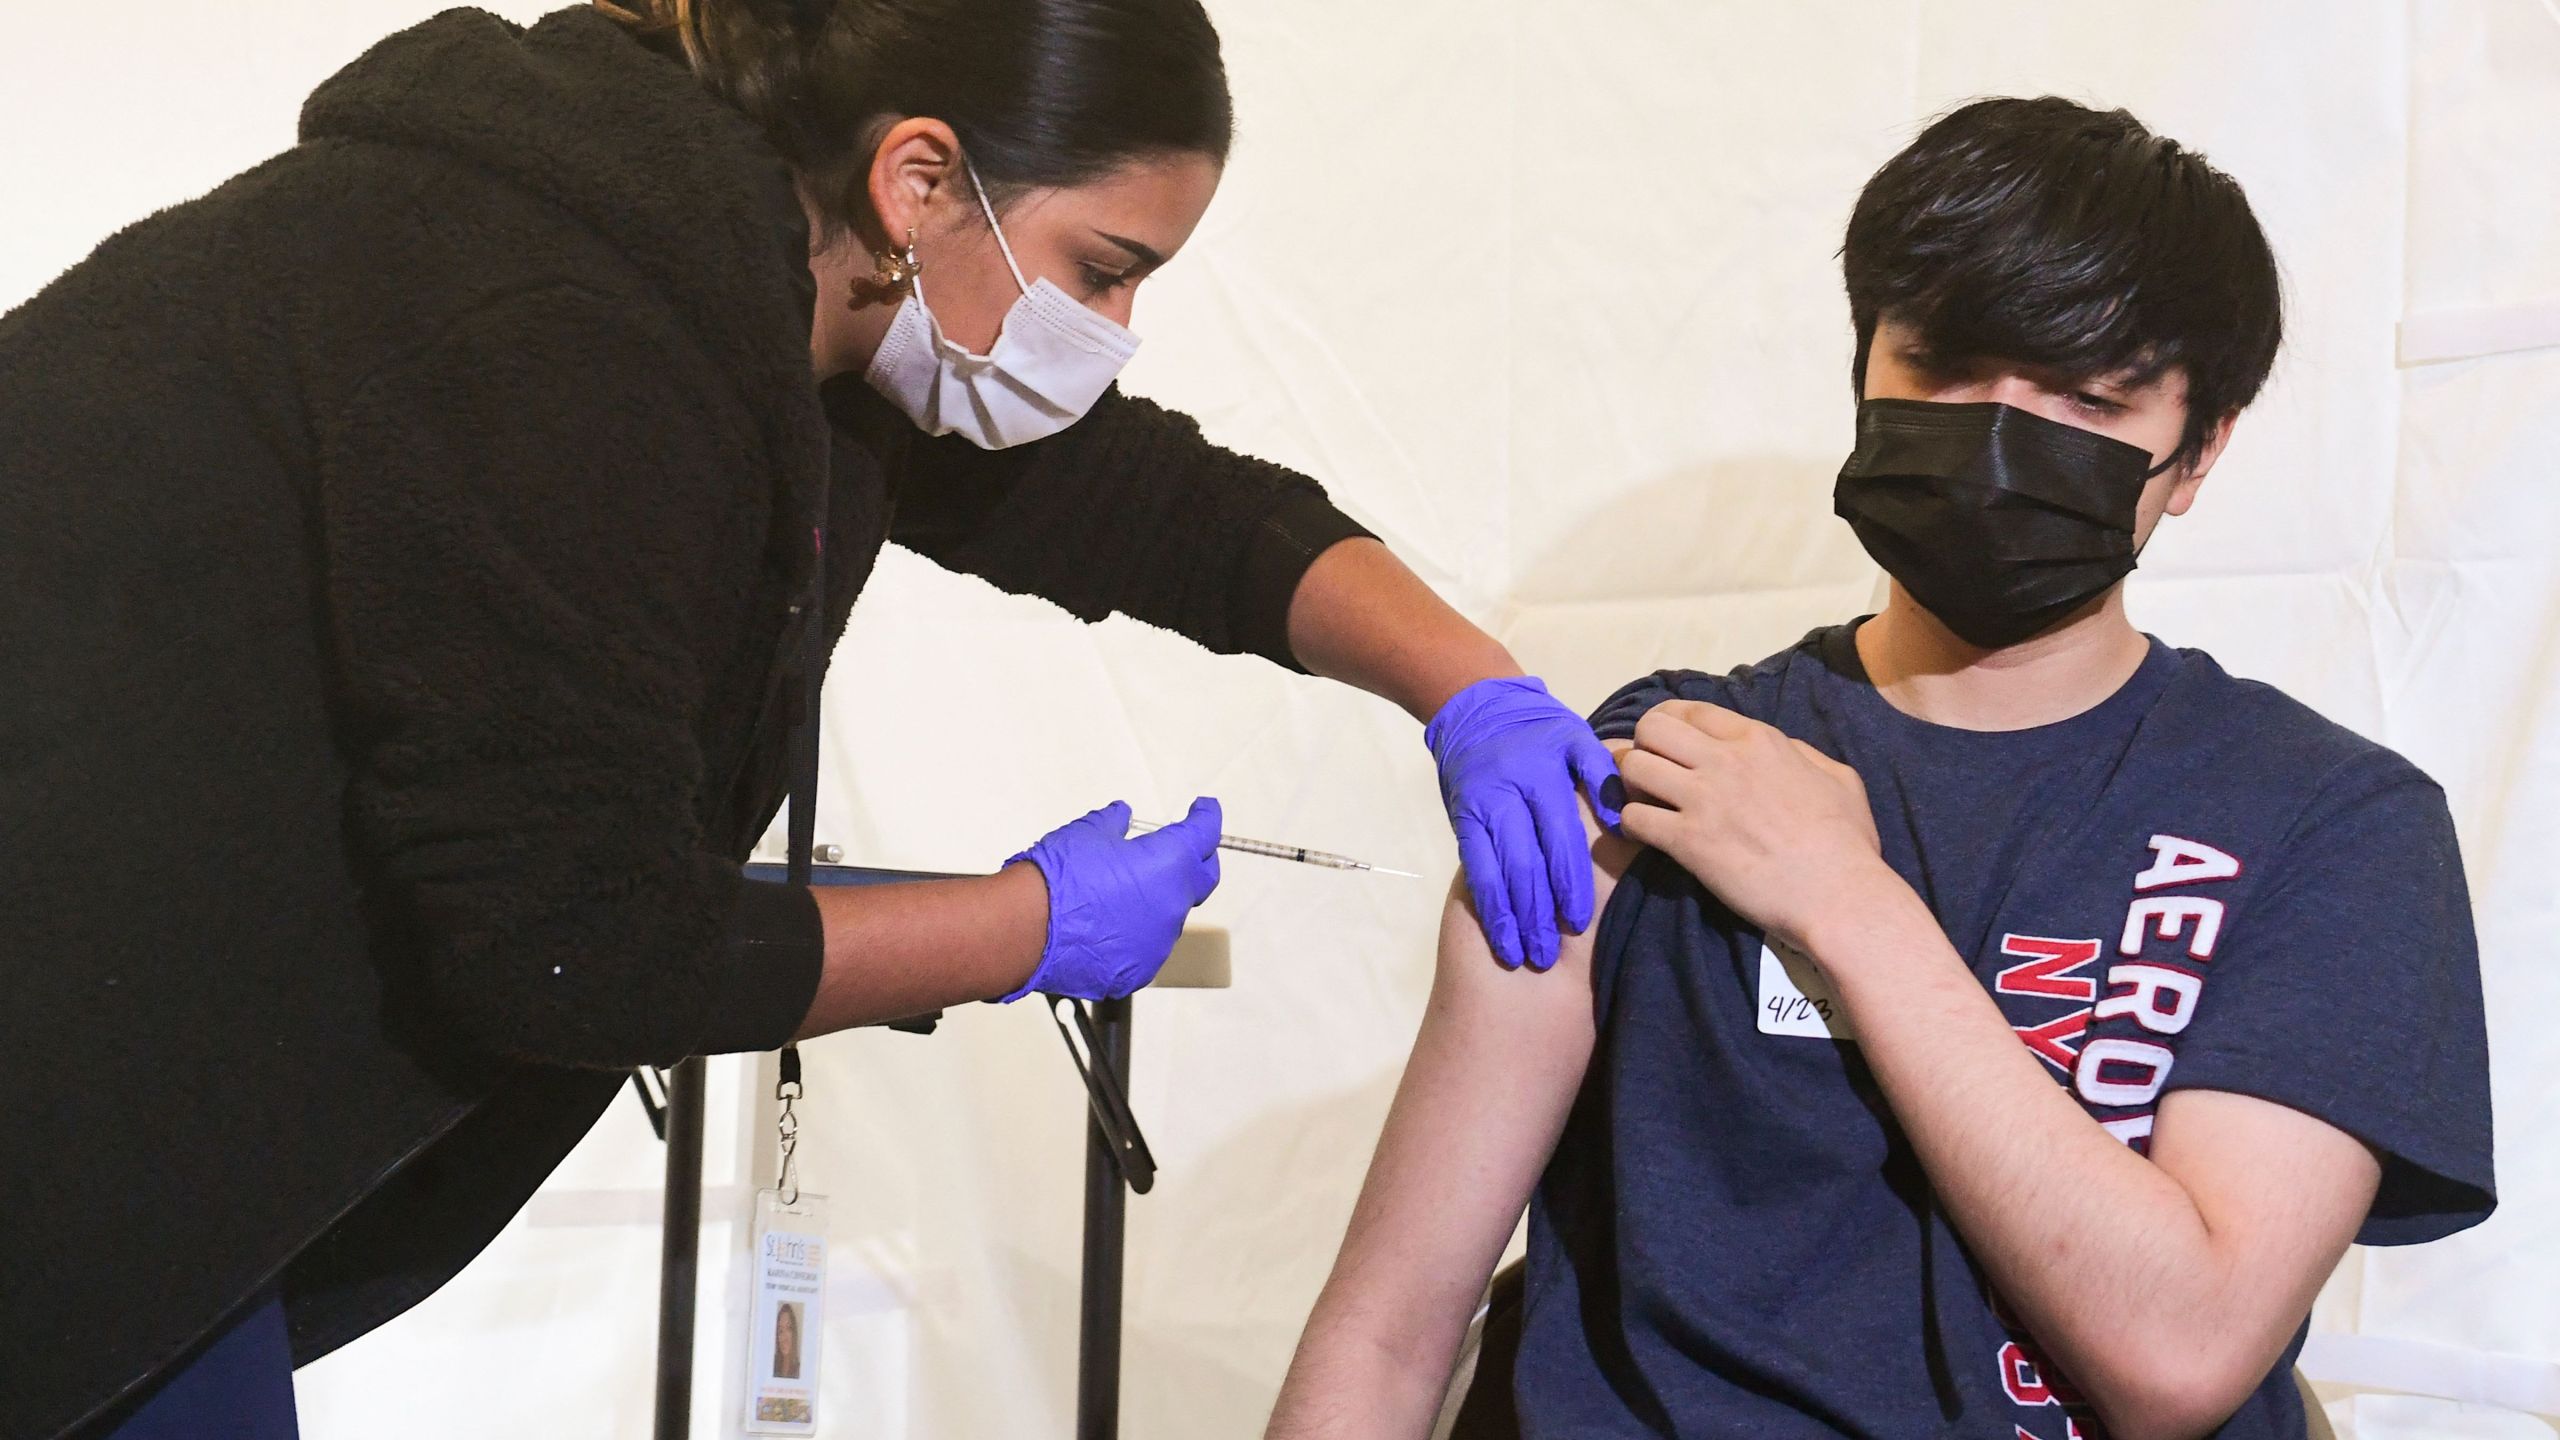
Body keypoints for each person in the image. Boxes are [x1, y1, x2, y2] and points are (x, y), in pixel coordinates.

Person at [0, 3, 1618, 1436]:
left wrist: (1468, 684)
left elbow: (1167, 512)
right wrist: (1021, 930)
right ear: (919, 181)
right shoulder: (556, 327)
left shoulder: (791, 305)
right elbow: (573, 945)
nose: (1114, 337)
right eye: (1104, 270)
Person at [1269, 97, 2495, 1440]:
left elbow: (2181, 1351)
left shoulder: (2327, 824)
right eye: (1947, 369)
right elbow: (1390, 1333)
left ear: (2199, 450)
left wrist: (1844, 905)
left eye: (2089, 399)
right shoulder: (1659, 771)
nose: (2002, 438)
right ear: (1866, 371)